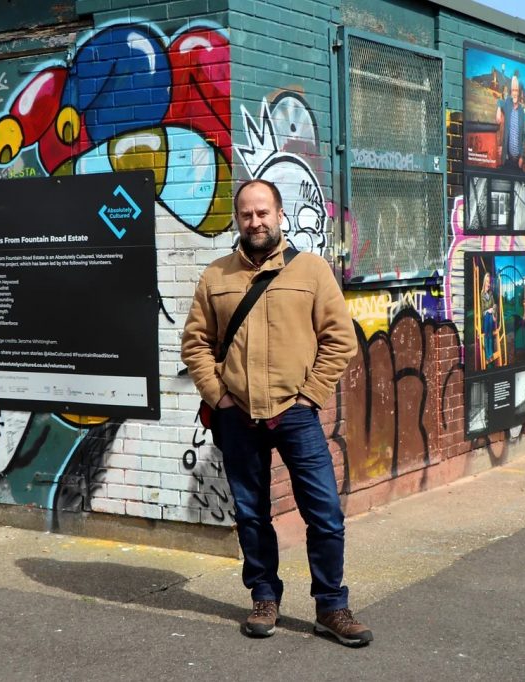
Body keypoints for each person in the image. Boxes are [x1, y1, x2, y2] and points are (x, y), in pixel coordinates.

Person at [181, 179, 371, 647]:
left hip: (296, 414)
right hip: (237, 415)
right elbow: (196, 344)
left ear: (280, 215)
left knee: (324, 513)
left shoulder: (311, 271)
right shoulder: (216, 277)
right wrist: (218, 395)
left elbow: (339, 340)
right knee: (251, 514)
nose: (255, 221)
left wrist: (310, 397)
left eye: (263, 212)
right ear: (238, 220)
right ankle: (264, 598)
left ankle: (332, 606)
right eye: (246, 214)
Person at [495, 74, 525, 171]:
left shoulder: (521, 111)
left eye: (516, 90)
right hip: (507, 158)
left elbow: (523, 135)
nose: (514, 93)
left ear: (519, 92)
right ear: (511, 92)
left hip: (517, 160)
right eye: (513, 90)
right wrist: (499, 110)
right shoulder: (508, 103)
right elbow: (500, 101)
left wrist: (522, 157)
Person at [480, 271, 498, 367]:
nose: (488, 284)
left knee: (489, 334)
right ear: (484, 282)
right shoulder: (482, 294)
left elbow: (495, 305)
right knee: (488, 334)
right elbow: (482, 310)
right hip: (486, 317)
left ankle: (489, 355)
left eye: (489, 282)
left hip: (491, 318)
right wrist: (488, 310)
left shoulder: (491, 293)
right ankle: (488, 355)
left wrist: (493, 313)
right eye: (487, 282)